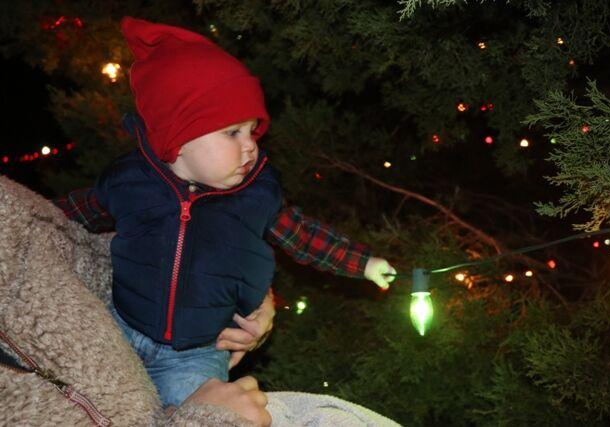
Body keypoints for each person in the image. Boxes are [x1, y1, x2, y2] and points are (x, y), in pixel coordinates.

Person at [55, 16, 396, 410]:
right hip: (120, 327)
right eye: (233, 132)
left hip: (197, 353)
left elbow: (304, 236)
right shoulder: (128, 180)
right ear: (178, 139)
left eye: (252, 130)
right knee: (81, 397)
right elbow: (70, 213)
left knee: (199, 411)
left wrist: (364, 264)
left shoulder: (255, 195)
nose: (251, 146)